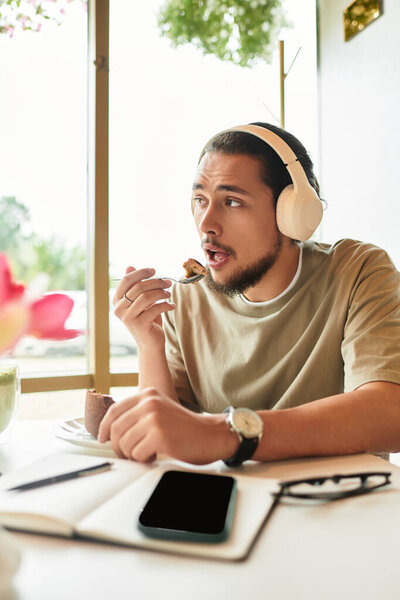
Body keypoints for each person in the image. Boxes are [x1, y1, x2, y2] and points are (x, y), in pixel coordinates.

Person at [98, 122, 400, 466]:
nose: (206, 222)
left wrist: (224, 433)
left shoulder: (358, 271)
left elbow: (389, 413)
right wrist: (149, 345)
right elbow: (165, 443)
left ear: (293, 213)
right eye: (200, 199)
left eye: (232, 201)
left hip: (338, 506)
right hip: (227, 509)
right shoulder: (185, 300)